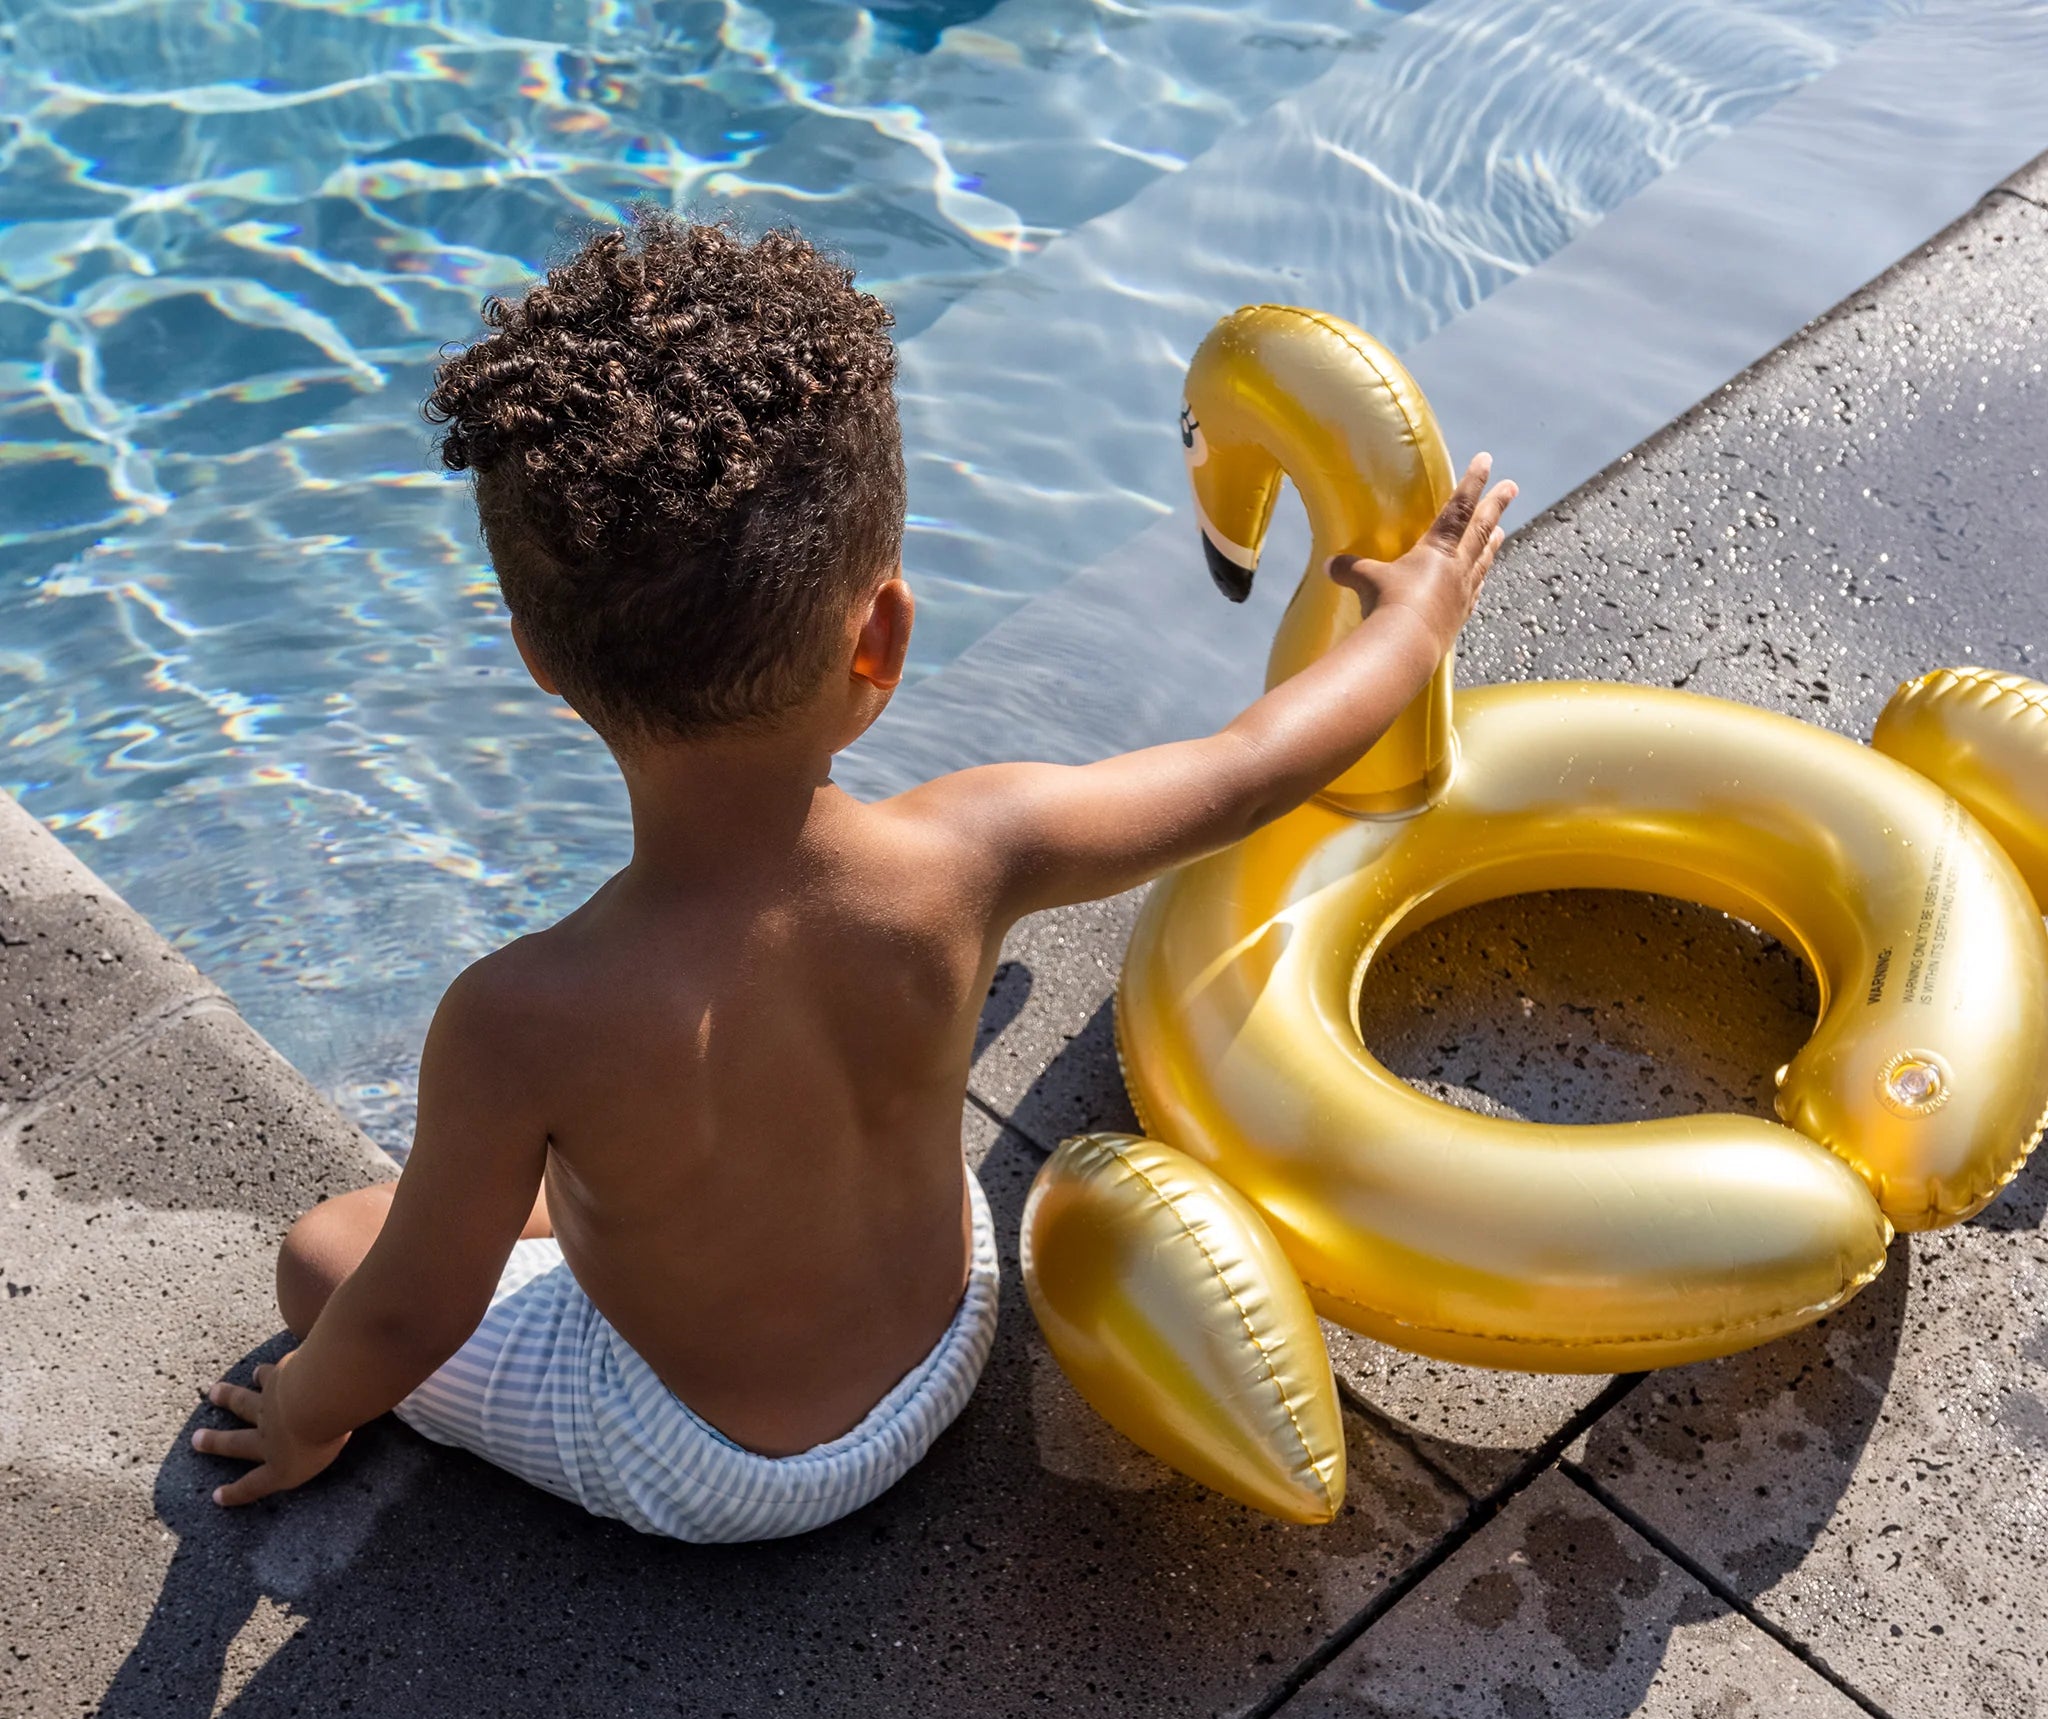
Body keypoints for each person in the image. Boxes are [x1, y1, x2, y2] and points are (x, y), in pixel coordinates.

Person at [192, 212, 1514, 1541]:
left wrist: (307, 1416)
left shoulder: (522, 1018)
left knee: (327, 1254)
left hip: (712, 1470)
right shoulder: (976, 848)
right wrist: (1413, 624)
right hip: (955, 1342)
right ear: (879, 636)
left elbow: (414, 1311)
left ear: (540, 659)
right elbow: (1247, 768)